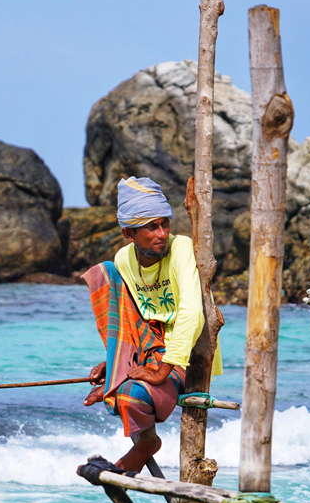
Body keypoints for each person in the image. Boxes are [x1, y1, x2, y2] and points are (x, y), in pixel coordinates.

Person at [81, 176, 222, 473]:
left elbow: (192, 313)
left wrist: (162, 370)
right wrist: (115, 361)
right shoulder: (123, 259)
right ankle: (121, 374)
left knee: (130, 396)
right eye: (151, 227)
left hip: (185, 356)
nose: (162, 234)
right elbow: (132, 317)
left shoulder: (181, 248)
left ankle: (146, 444)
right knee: (104, 273)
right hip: (149, 350)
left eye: (164, 224)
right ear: (128, 233)